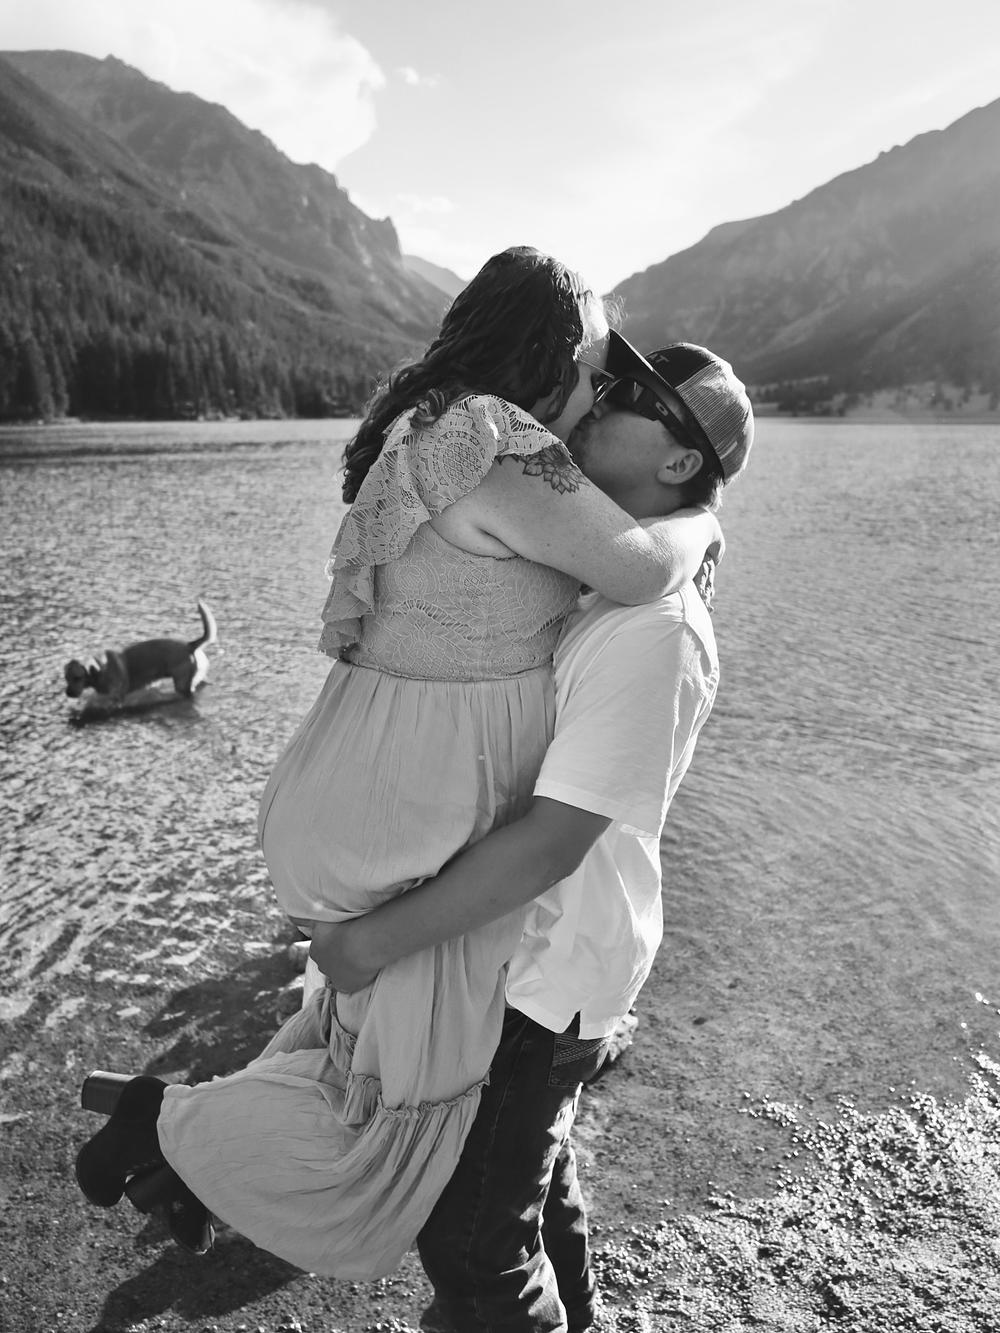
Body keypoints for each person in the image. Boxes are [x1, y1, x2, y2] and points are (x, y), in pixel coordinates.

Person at [74, 249, 723, 1276]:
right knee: (399, 1113)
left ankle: (180, 1152)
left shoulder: (439, 427)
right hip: (416, 789)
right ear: (550, 354)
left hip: (366, 775)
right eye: (600, 370)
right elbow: (641, 571)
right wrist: (698, 524)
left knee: (372, 1056)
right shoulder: (505, 449)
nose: (601, 394)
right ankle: (175, 1137)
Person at [308, 339, 755, 1333]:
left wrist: (368, 944)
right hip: (535, 950)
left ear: (681, 458)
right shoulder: (603, 573)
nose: (597, 398)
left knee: (474, 1247)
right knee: (529, 1187)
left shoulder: (655, 627)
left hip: (546, 971)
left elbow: (554, 841)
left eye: (630, 394)